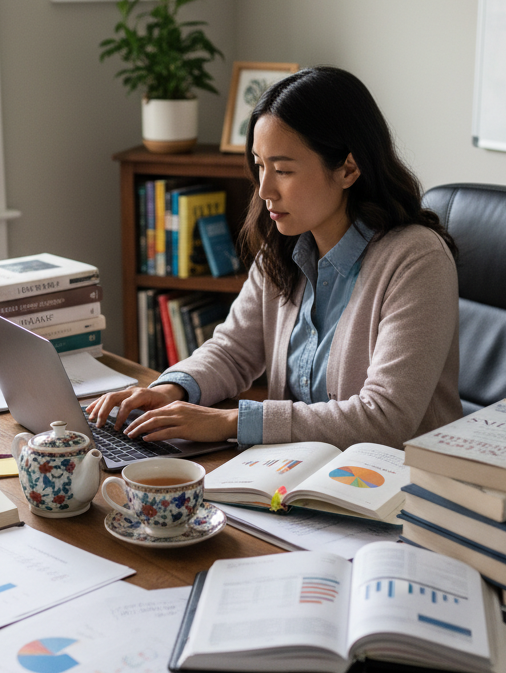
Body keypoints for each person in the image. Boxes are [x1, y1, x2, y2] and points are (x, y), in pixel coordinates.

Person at [87, 66, 463, 450]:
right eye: (260, 164)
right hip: (294, 473)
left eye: (282, 169)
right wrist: (171, 390)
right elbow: (233, 351)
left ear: (349, 169)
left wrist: (229, 422)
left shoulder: (417, 260)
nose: (265, 189)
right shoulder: (284, 244)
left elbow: (385, 418)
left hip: (392, 488)